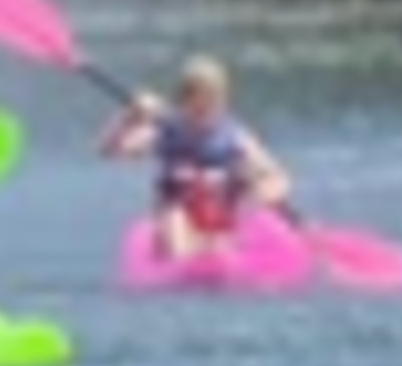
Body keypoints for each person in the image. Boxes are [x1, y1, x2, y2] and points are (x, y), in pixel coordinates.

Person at [99, 55, 292, 260]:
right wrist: (129, 117)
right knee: (176, 217)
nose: (204, 111)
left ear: (222, 102)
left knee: (238, 209)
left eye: (212, 102)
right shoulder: (164, 131)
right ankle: (187, 257)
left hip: (222, 220)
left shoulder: (236, 137)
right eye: (197, 104)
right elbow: (110, 150)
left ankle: (217, 250)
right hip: (178, 223)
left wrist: (270, 190)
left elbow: (274, 173)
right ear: (183, 102)